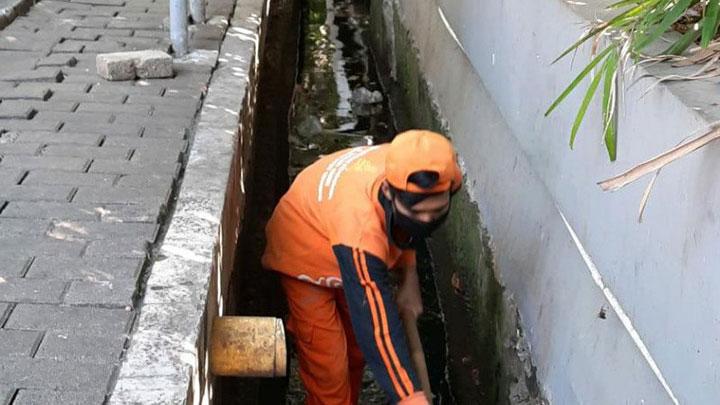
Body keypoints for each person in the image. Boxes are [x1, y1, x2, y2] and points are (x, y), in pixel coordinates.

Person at [262, 130, 462, 405]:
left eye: (436, 212)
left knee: (356, 351)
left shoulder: (410, 163)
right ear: (389, 192)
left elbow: (409, 230)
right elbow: (377, 326)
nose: (427, 219)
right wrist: (410, 397)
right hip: (303, 249)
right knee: (329, 367)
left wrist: (409, 276)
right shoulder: (360, 227)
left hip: (337, 231)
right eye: (417, 213)